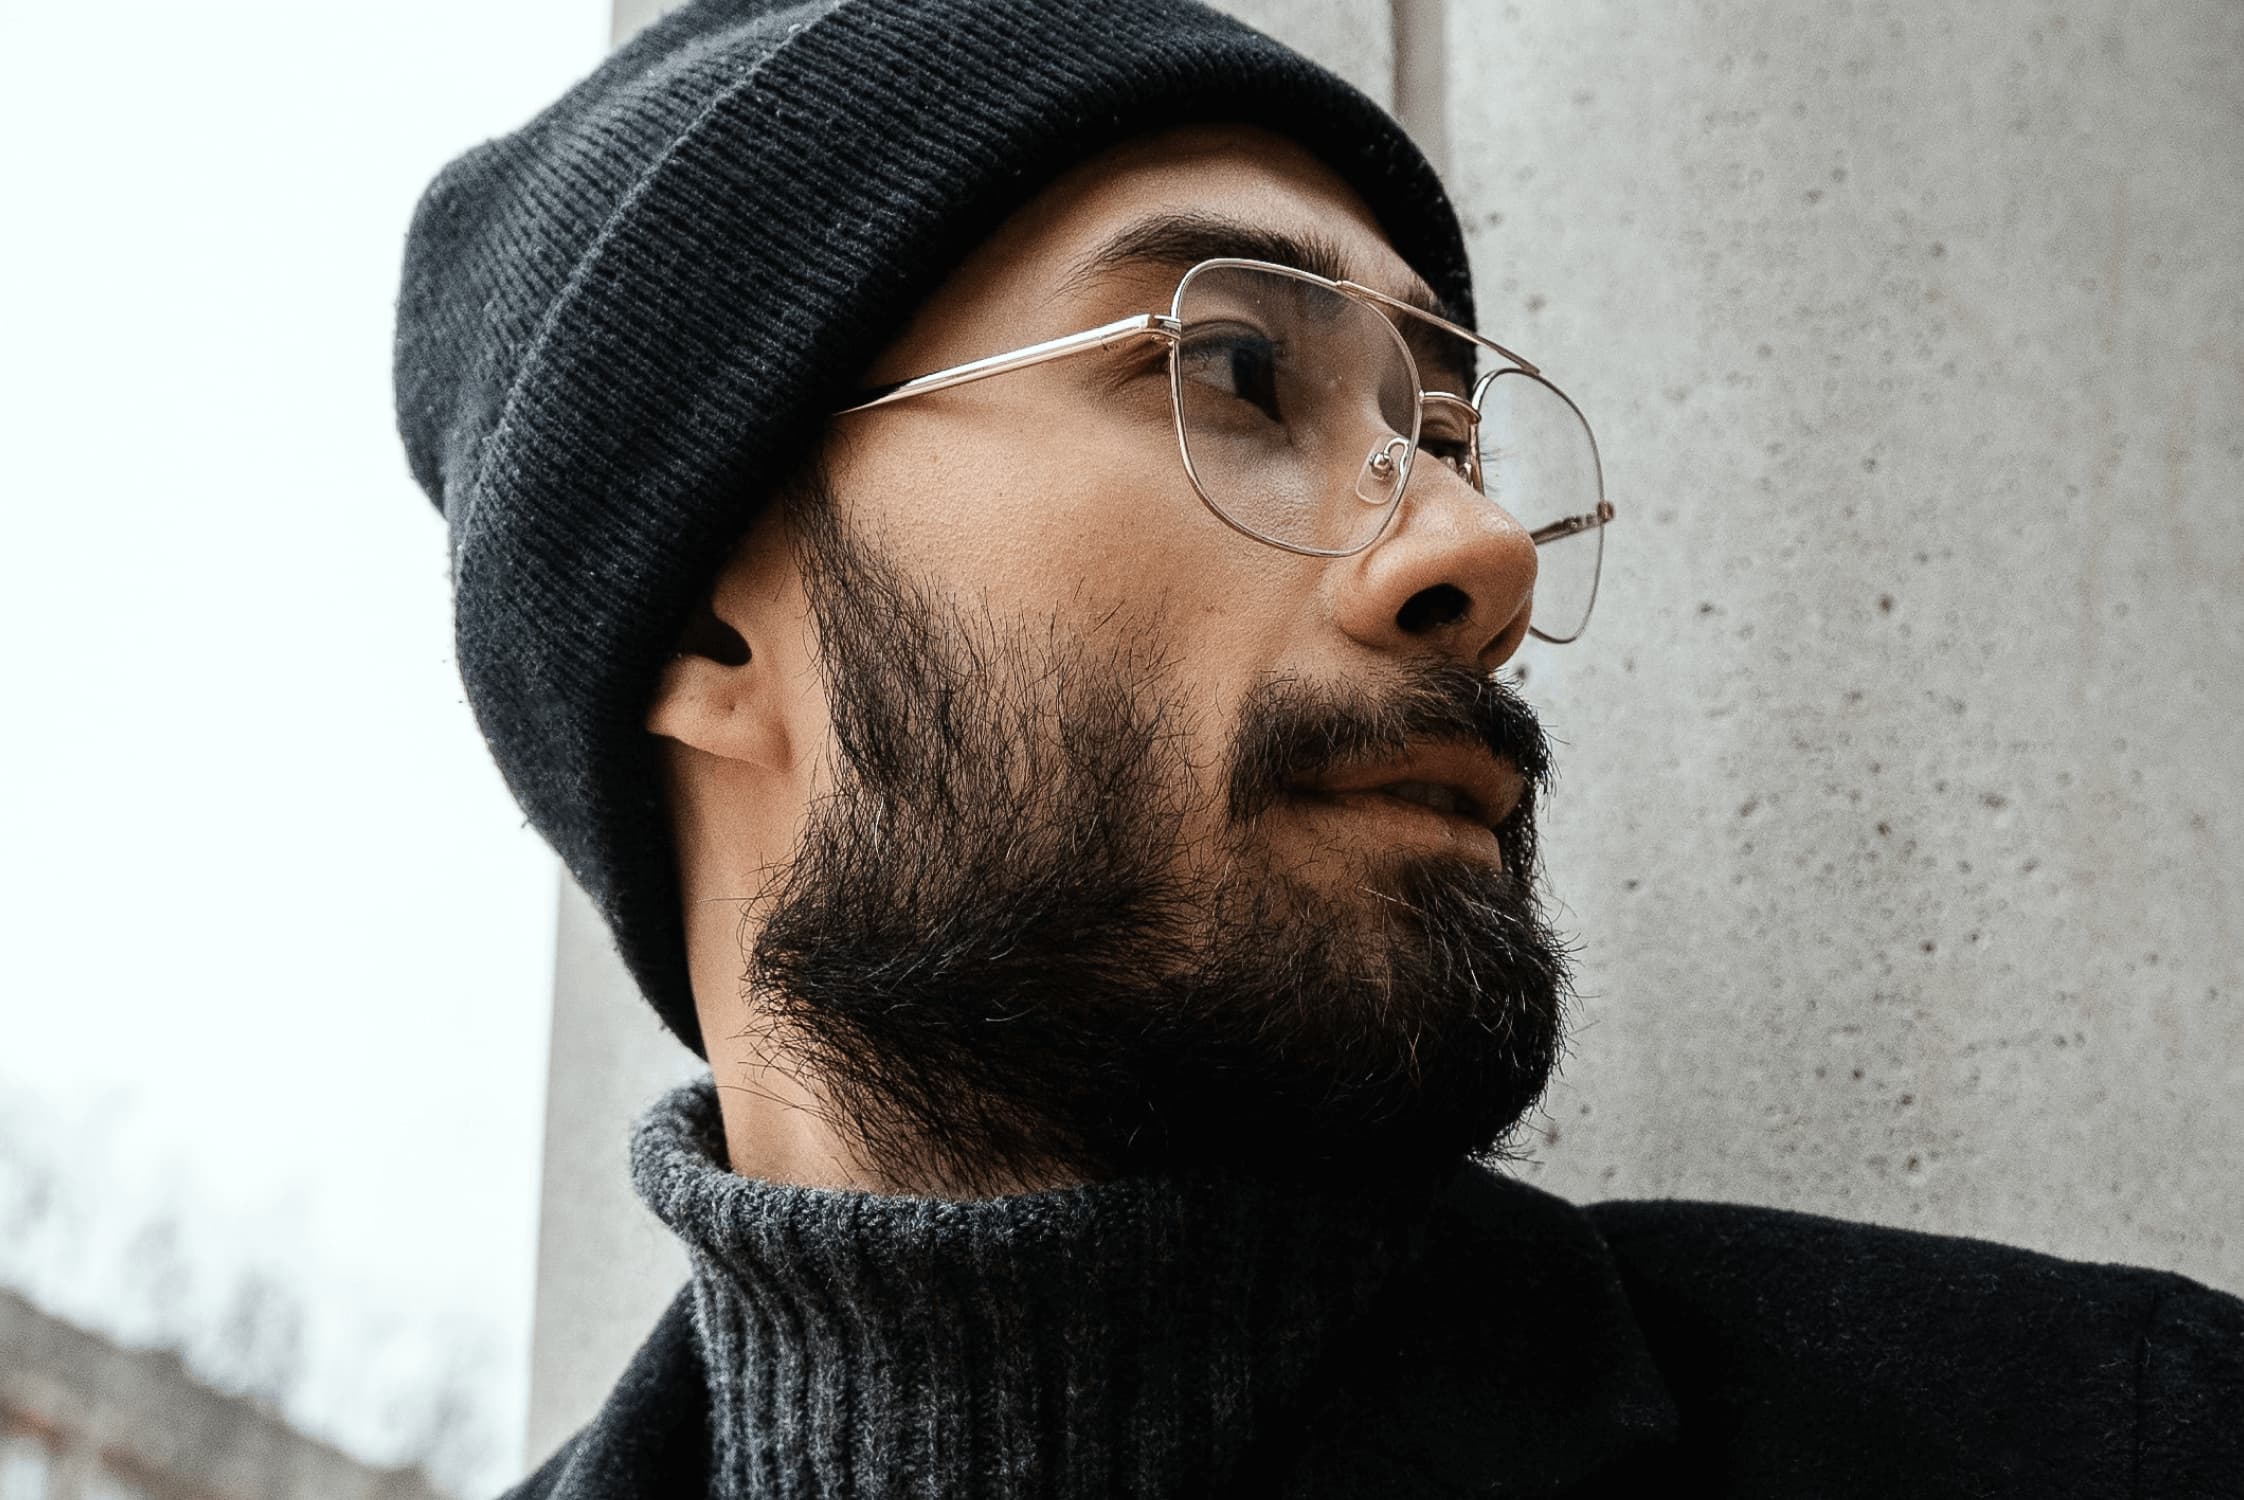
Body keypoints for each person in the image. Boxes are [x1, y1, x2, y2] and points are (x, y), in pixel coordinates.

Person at [393, 1, 2244, 1495]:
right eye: (1236, 376)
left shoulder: (2108, 1438)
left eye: (1445, 435)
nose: (1476, 551)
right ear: (712, 622)